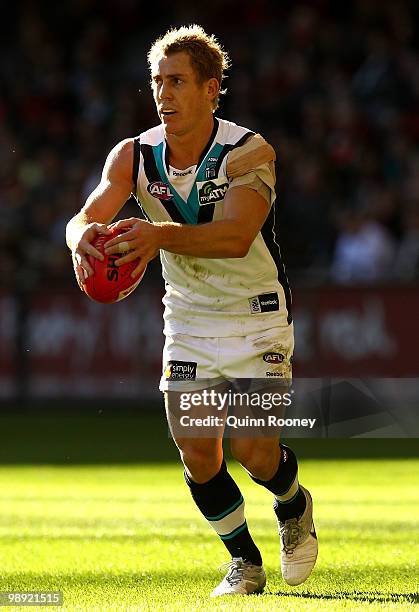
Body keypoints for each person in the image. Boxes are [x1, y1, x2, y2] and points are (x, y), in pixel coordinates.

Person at [66, 24, 318, 597]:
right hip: (189, 316)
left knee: (255, 451)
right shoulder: (134, 156)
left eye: (178, 82)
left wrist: (155, 236)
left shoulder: (249, 151)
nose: (164, 94)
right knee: (198, 447)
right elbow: (83, 215)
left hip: (254, 313)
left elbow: (234, 237)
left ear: (211, 88)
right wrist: (77, 239)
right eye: (157, 82)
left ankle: (293, 503)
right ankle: (245, 562)